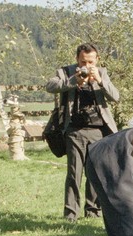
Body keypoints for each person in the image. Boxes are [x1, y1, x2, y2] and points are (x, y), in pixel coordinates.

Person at [46, 43, 119, 222]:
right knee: (74, 173)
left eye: (90, 62)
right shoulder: (65, 72)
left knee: (95, 173)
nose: (86, 66)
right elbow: (50, 86)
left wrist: (99, 82)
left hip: (99, 130)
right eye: (82, 62)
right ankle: (71, 214)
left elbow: (116, 97)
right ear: (76, 59)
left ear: (97, 60)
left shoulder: (102, 73)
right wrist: (73, 81)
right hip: (75, 130)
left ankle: (93, 211)